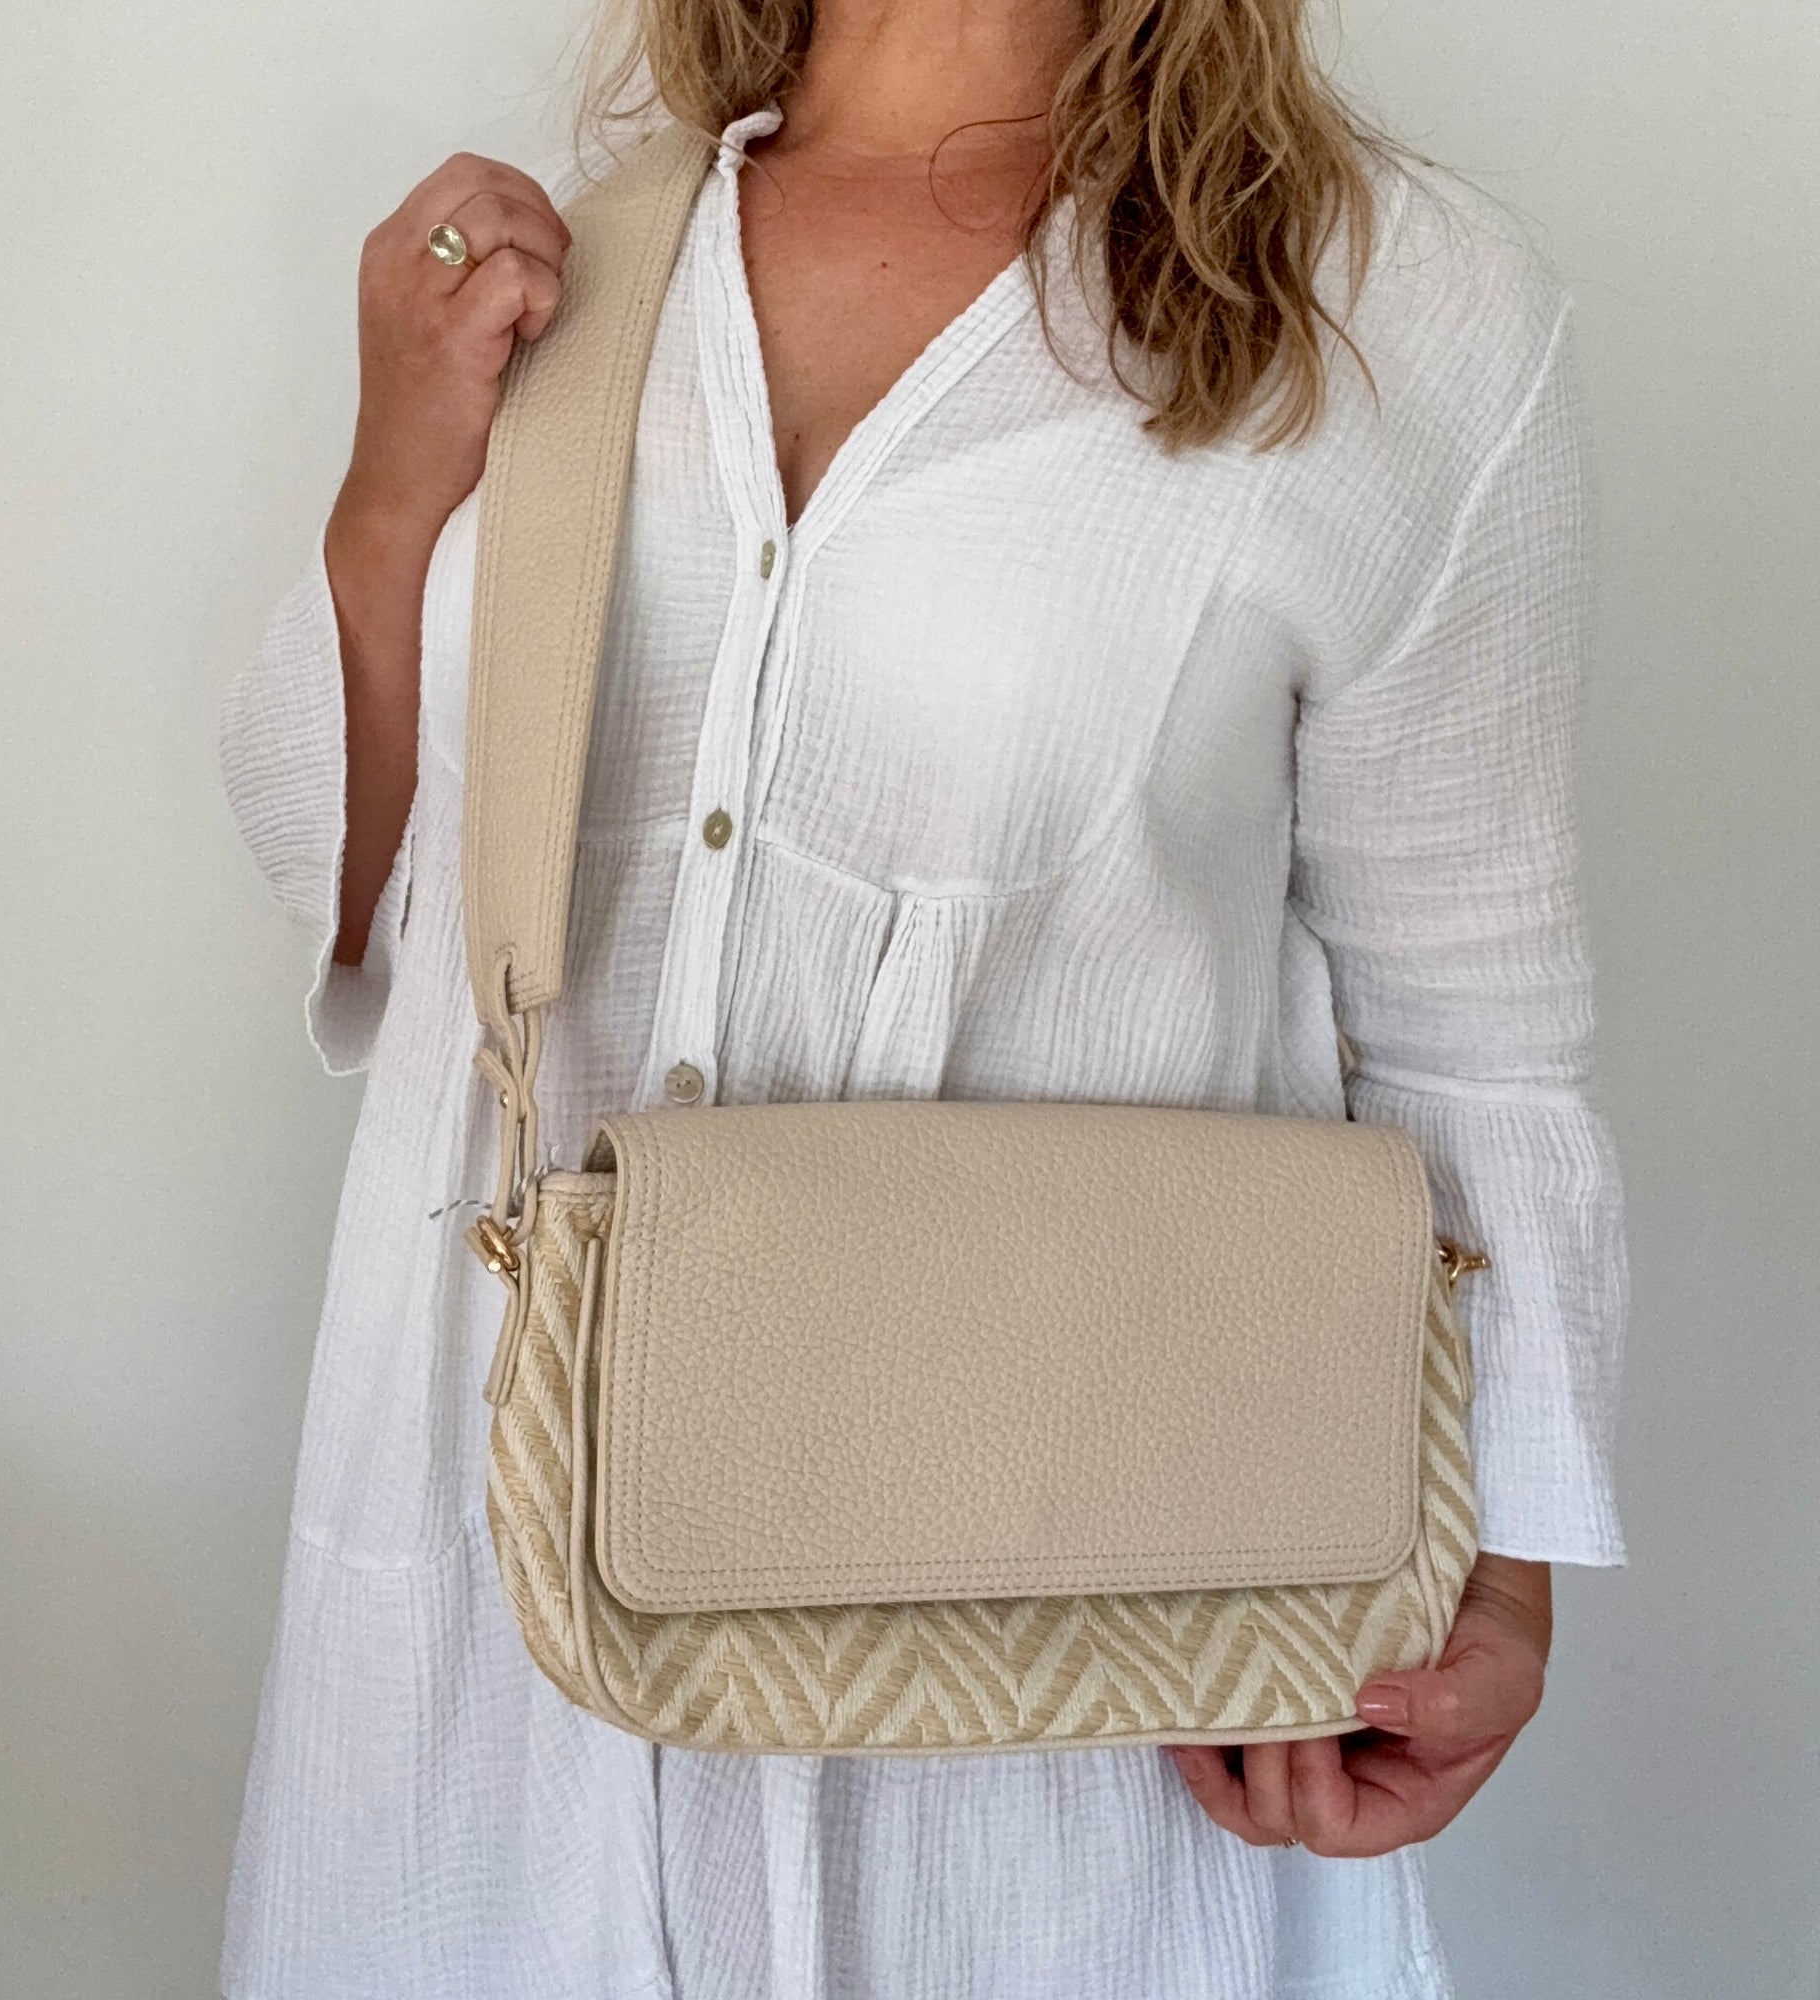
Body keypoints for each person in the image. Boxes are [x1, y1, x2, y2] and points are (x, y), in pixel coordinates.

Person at [216, 0, 1626, 1992]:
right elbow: (348, 886)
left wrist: (1500, 1577)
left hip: (1062, 1642)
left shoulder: (1393, 312)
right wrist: (390, 490)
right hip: (493, 1615)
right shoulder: (565, 266)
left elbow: (1477, 1018)